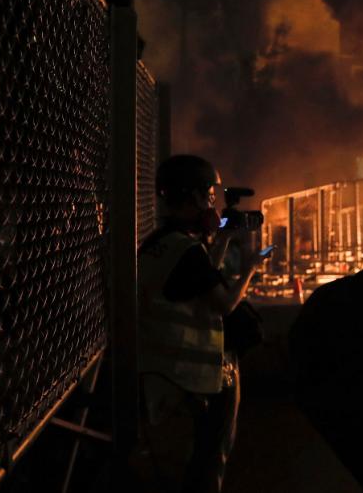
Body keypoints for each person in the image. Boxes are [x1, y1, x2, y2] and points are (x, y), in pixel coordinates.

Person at [133, 155, 262, 493]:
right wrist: (249, 268)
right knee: (205, 466)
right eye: (208, 196)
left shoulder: (160, 243)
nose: (212, 205)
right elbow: (222, 303)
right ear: (190, 198)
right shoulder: (186, 251)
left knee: (182, 468)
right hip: (193, 382)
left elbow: (194, 283)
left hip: (164, 376)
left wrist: (221, 241)